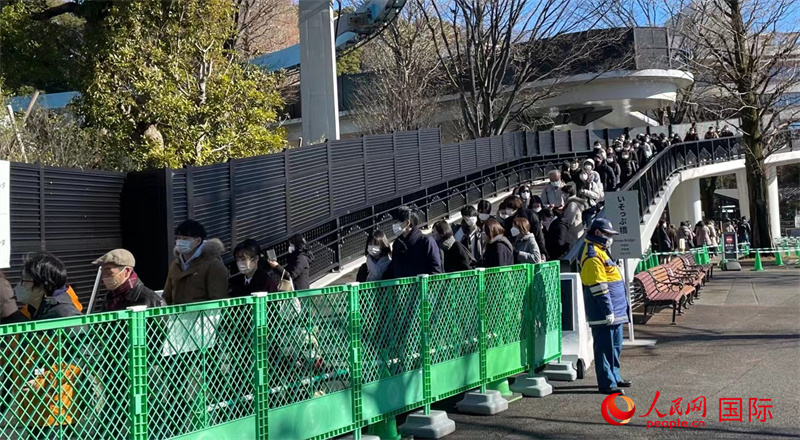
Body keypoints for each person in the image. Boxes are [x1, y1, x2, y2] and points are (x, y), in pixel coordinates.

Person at [579, 218, 631, 395]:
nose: (610, 238)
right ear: (598, 233)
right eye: (608, 234)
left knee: (615, 346)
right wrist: (607, 310)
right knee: (604, 347)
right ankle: (606, 383)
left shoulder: (603, 251)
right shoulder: (592, 254)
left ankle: (615, 377)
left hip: (615, 310)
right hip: (604, 312)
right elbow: (598, 287)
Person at [164, 219, 229, 305]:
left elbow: (218, 299)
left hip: (204, 316)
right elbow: (167, 296)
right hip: (177, 316)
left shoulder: (213, 265)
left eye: (185, 238)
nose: (180, 242)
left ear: (198, 241)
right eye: (178, 238)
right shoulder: (176, 264)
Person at [93, 248, 163, 311]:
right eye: (103, 273)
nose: (104, 278)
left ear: (127, 271)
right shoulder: (110, 297)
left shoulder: (150, 299)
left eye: (109, 273)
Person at [389, 206, 443, 277]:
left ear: (407, 223)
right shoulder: (397, 244)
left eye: (396, 222)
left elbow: (436, 271)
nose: (394, 225)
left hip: (423, 287)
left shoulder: (426, 242)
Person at [500, 195, 547, 261]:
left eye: (508, 208)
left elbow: (538, 235)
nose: (507, 210)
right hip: (517, 250)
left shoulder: (530, 215)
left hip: (529, 245)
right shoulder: (508, 220)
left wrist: (542, 252)